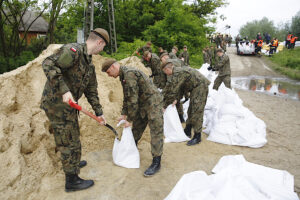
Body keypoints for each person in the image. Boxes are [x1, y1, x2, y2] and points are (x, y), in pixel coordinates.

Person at [40, 28, 108, 192]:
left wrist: (99, 113)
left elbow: (91, 91)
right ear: (99, 42)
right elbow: (48, 63)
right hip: (57, 105)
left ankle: (74, 163)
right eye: (103, 46)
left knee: (74, 136)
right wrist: (64, 90)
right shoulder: (73, 52)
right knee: (67, 141)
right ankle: (71, 181)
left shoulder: (89, 64)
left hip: (70, 107)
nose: (102, 50)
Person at [102, 59, 164, 176]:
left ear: (113, 67)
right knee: (136, 129)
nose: (109, 76)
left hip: (153, 102)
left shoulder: (129, 74)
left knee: (156, 131)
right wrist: (124, 114)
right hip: (142, 103)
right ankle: (130, 150)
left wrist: (129, 119)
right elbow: (127, 96)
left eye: (109, 73)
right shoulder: (123, 75)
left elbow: (133, 99)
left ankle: (157, 161)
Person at [161, 60, 210, 146]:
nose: (165, 74)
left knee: (197, 111)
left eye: (164, 72)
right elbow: (180, 88)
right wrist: (177, 98)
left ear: (167, 69)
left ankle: (197, 136)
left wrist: (165, 105)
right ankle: (188, 130)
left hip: (200, 86)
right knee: (190, 110)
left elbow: (173, 90)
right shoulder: (176, 72)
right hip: (194, 88)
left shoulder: (177, 73)